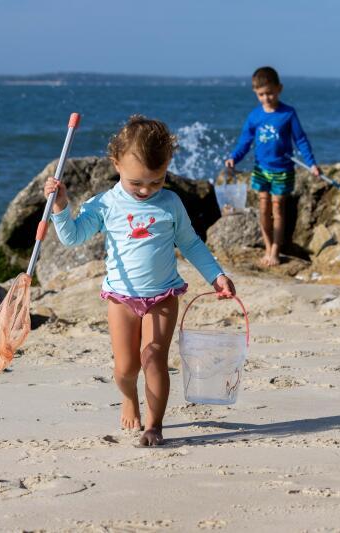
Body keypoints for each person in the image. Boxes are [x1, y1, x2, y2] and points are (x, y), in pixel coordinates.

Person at [44, 115, 236, 446]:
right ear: (116, 163)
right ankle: (129, 397)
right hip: (121, 298)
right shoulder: (105, 203)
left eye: (156, 182)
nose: (146, 190)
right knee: (125, 369)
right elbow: (73, 237)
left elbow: (190, 243)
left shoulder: (171, 203)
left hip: (163, 296)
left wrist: (216, 275)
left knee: (153, 357)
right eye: (137, 183)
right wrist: (61, 207)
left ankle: (154, 425)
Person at [225, 66, 321, 267]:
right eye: (261, 94)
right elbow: (245, 142)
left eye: (270, 93)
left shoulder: (288, 114)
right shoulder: (254, 117)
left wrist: (311, 163)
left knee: (278, 209)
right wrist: (234, 157)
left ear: (279, 89)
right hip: (261, 169)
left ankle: (276, 250)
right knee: (263, 208)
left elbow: (301, 140)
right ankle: (267, 247)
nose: (266, 98)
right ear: (255, 93)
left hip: (282, 170)